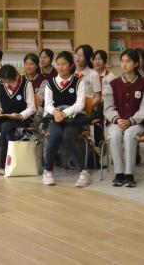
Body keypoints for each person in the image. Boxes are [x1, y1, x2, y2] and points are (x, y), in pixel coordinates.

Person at [41, 51, 91, 188]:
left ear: (71, 66)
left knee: (68, 136)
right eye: (58, 64)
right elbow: (48, 105)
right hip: (55, 118)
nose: (60, 67)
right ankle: (47, 171)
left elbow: (80, 104)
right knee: (54, 135)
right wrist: (56, 113)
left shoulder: (78, 83)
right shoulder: (50, 83)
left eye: (64, 64)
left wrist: (64, 113)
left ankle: (83, 172)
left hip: (73, 119)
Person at [103, 49, 144, 187]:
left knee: (129, 135)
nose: (124, 64)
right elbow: (108, 107)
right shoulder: (113, 84)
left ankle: (129, 174)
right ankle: (119, 173)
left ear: (136, 64)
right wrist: (117, 119)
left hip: (137, 123)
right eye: (122, 61)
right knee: (115, 135)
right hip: (117, 122)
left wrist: (131, 121)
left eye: (128, 61)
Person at [0, 65, 36, 175]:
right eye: (4, 81)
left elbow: (32, 107)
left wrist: (21, 115)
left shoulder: (26, 84)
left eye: (9, 81)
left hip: (21, 118)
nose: (6, 83)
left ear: (15, 77)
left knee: (5, 127)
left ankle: (4, 165)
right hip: (4, 116)